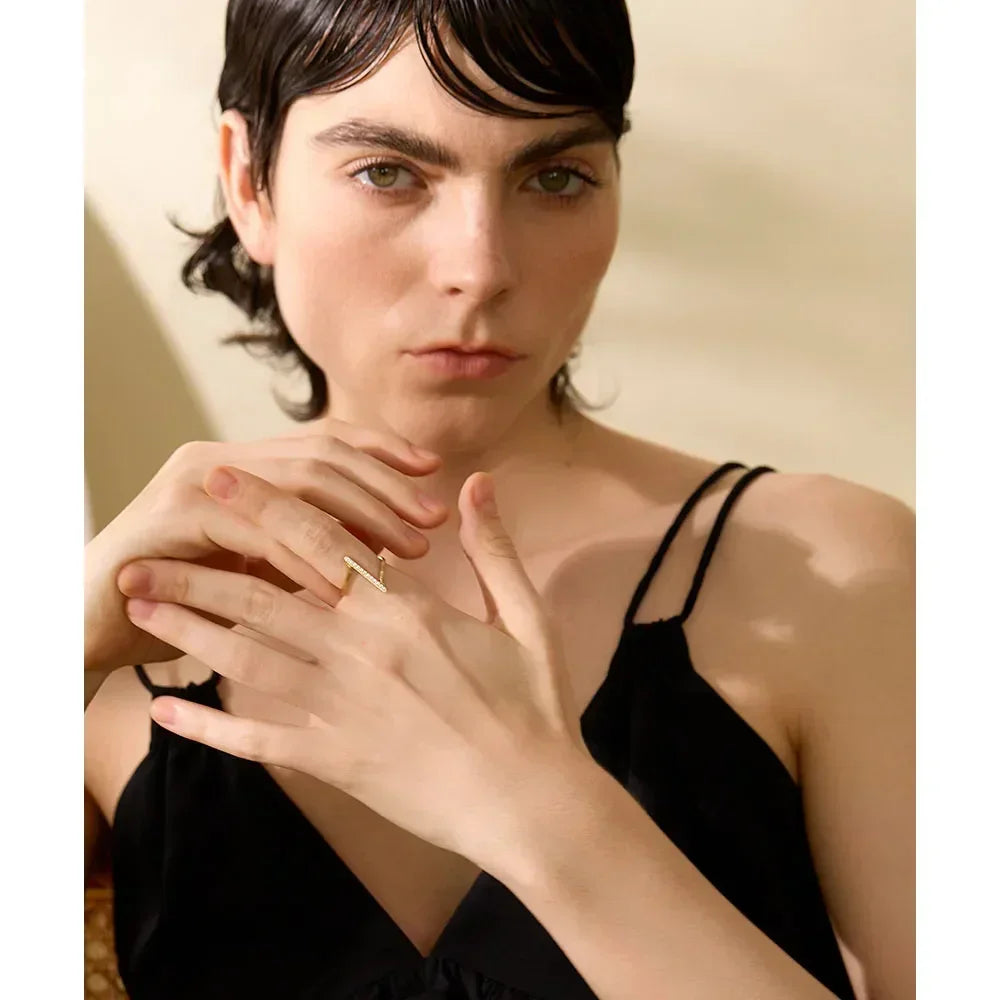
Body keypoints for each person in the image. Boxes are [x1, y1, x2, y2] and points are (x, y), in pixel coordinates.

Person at [83, 2, 915, 998]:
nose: (479, 267)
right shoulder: (124, 635)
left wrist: (546, 815)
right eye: (388, 172)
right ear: (247, 181)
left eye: (555, 177)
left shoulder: (840, 571)